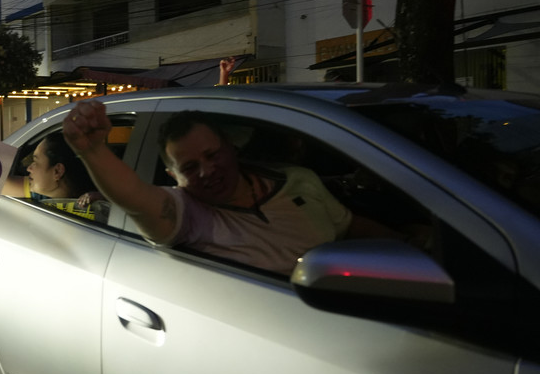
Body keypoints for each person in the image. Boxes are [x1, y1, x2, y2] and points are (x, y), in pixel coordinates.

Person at [63, 103, 380, 275]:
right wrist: (91, 151)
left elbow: (348, 226)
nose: (207, 171)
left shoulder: (298, 179)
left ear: (232, 148)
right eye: (189, 168)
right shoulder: (190, 214)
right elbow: (136, 197)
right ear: (174, 177)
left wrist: (411, 240)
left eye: (212, 155)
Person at [2, 131, 96, 201]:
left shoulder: (97, 206)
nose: (29, 168)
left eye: (35, 161)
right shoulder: (42, 191)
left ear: (57, 171)